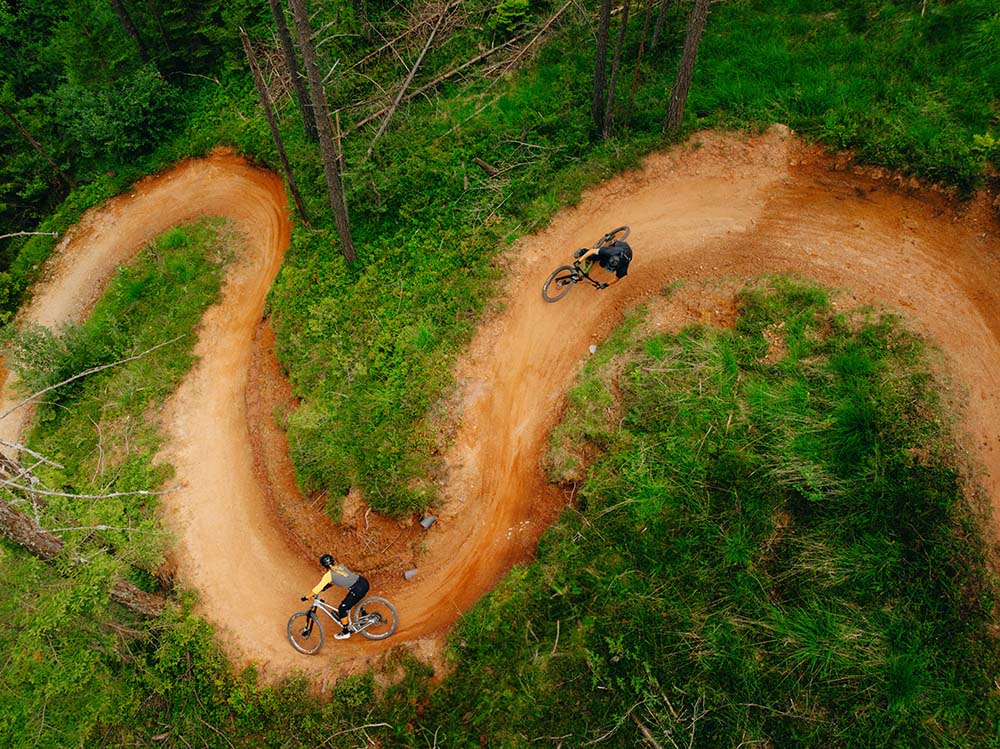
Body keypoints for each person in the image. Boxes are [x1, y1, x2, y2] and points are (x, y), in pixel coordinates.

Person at [302, 553, 370, 640]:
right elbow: (338, 580)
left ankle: (345, 632)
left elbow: (317, 589)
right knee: (352, 599)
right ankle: (364, 614)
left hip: (358, 589)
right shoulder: (341, 566)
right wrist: (325, 587)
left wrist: (307, 597)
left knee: (342, 609)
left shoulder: (328, 576)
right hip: (363, 582)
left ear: (324, 565)